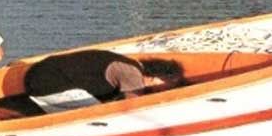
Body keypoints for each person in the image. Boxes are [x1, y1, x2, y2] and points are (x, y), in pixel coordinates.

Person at [21, 50, 184, 113]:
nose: (168, 88)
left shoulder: (129, 65)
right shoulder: (132, 74)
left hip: (39, 76)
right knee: (98, 115)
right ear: (159, 76)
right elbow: (133, 107)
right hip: (47, 82)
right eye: (170, 83)